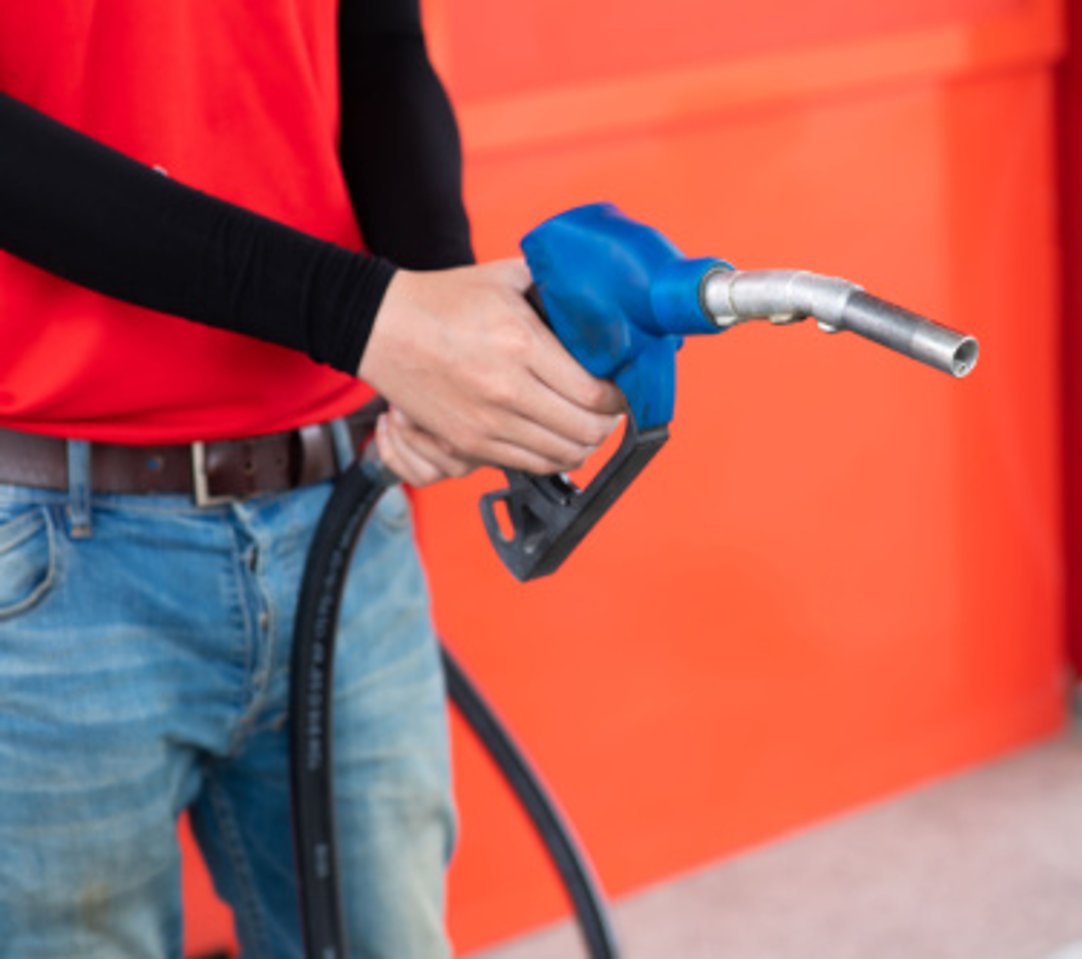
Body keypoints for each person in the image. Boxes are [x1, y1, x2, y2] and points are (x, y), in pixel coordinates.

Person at [0, 1, 624, 956]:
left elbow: (376, 38)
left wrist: (444, 323)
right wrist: (377, 319)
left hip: (338, 497)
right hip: (50, 547)